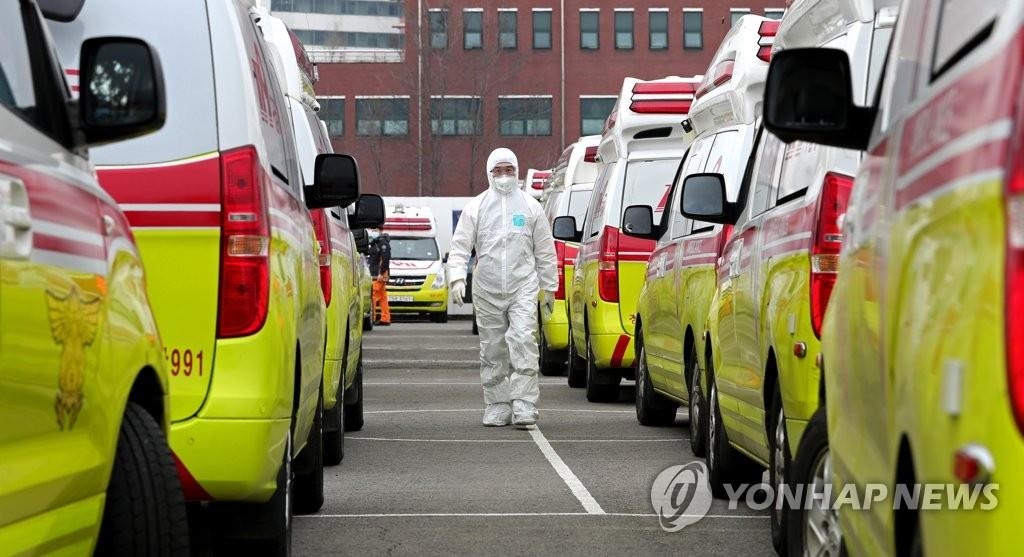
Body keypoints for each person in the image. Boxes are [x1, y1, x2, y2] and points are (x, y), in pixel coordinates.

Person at [447, 148, 557, 427]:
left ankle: (524, 404)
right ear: (489, 173)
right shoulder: (477, 207)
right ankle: (496, 404)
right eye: (499, 171)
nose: (505, 176)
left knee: (523, 342)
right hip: (487, 287)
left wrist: (549, 287)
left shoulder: (532, 207)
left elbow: (545, 250)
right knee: (493, 348)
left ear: (517, 172)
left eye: (509, 170)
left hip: (523, 286)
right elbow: (460, 246)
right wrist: (457, 277)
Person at [368, 229, 391, 326]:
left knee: (372, 295)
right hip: (378, 274)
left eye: (374, 230)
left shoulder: (383, 244)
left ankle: (372, 318)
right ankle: (385, 318)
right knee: (382, 297)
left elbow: (385, 259)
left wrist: (381, 273)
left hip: (378, 275)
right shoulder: (376, 243)